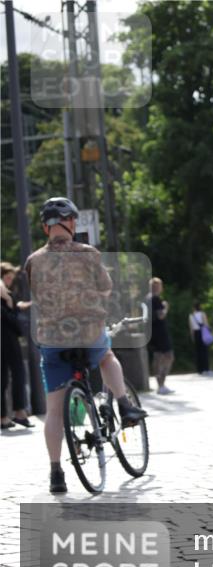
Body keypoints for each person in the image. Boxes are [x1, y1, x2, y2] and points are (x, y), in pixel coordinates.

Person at [24, 197, 147, 493]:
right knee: (106, 357)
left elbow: (38, 294)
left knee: (54, 411)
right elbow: (106, 288)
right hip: (88, 333)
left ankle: (56, 473)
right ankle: (124, 404)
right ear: (71, 222)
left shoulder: (33, 261)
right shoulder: (88, 254)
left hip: (52, 340)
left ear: (45, 227)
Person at [1, 262, 33, 430]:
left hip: (7, 337)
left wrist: (16, 304)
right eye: (6, 278)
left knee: (4, 377)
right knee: (16, 373)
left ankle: (5, 416)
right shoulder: (3, 294)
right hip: (7, 338)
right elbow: (8, 316)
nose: (8, 281)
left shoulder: (7, 294)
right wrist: (8, 300)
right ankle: (18, 412)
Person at [148, 277, 174, 395]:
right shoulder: (156, 299)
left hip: (152, 332)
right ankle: (161, 384)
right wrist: (165, 307)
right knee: (167, 356)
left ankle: (160, 384)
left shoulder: (148, 299)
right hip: (160, 333)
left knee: (158, 357)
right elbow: (161, 316)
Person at [189, 304, 211, 375]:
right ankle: (206, 368)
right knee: (204, 351)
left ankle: (199, 369)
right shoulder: (202, 314)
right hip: (202, 332)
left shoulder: (191, 316)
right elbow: (206, 324)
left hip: (196, 333)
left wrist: (192, 337)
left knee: (198, 352)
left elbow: (191, 328)